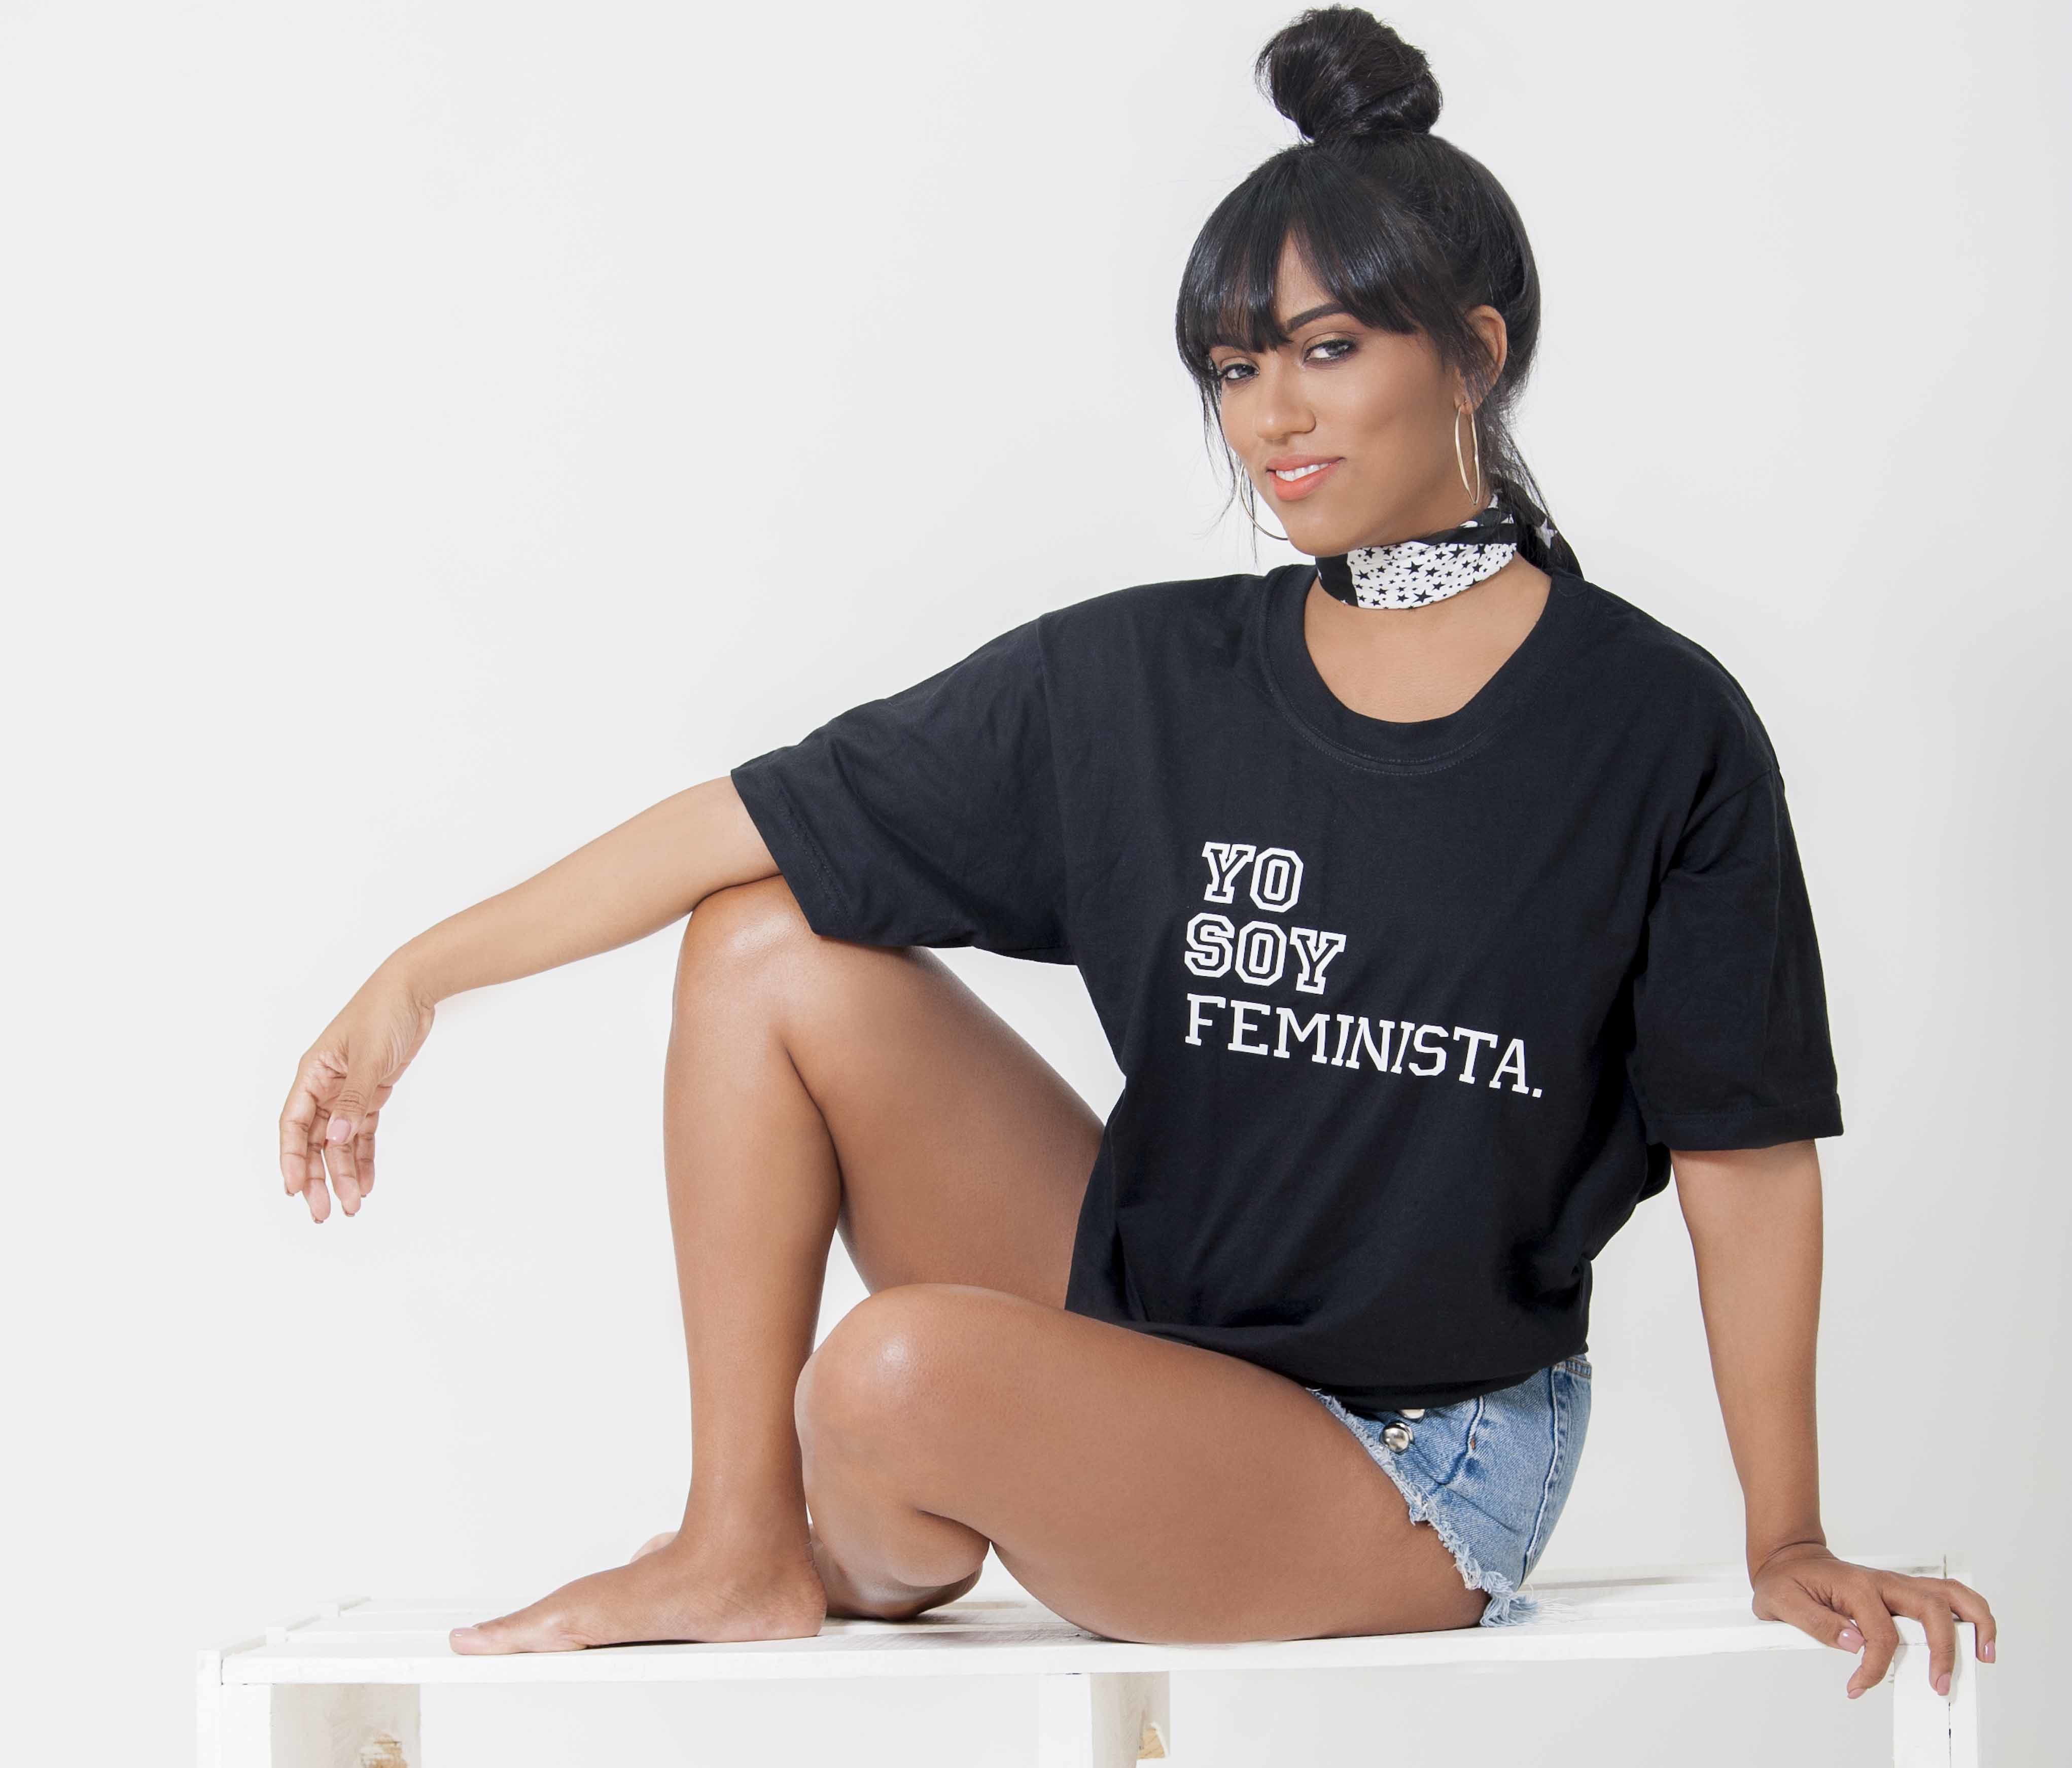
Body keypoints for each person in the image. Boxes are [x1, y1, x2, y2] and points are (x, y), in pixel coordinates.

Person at [276, 4, 1997, 1691]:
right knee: (762, 941)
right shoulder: (1145, 680)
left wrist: (1788, 1534)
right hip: (1159, 1329)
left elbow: (1746, 1152)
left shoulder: (1654, 724)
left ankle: (904, 1492)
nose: (1271, 418)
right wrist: (419, 978)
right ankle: (739, 1541)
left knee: (884, 1377)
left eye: (1328, 349)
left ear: (1474, 353)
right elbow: (740, 819)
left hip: (1408, 1458)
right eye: (1236, 370)